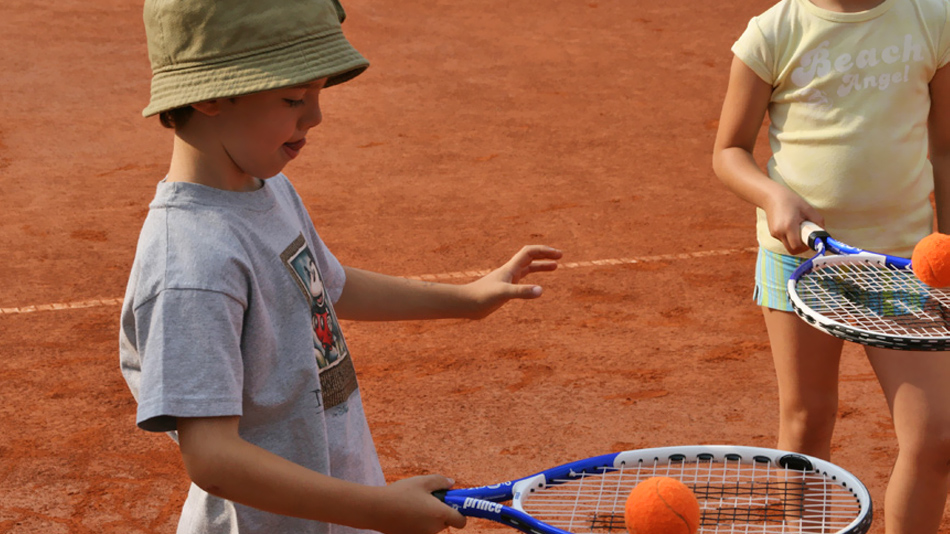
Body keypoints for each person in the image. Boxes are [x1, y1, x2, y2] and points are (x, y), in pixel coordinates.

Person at [118, 0, 563, 533]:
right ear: (211, 95)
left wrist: (465, 300)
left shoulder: (265, 187)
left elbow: (327, 286)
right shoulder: (192, 263)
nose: (315, 116)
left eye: (318, 93)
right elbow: (212, 459)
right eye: (292, 98)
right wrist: (376, 508)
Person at [712, 0, 950, 532]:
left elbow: (947, 149)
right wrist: (773, 196)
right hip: (800, 265)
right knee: (806, 422)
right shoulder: (770, 35)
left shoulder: (933, 20)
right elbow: (728, 149)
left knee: (937, 436)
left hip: (903, 264)